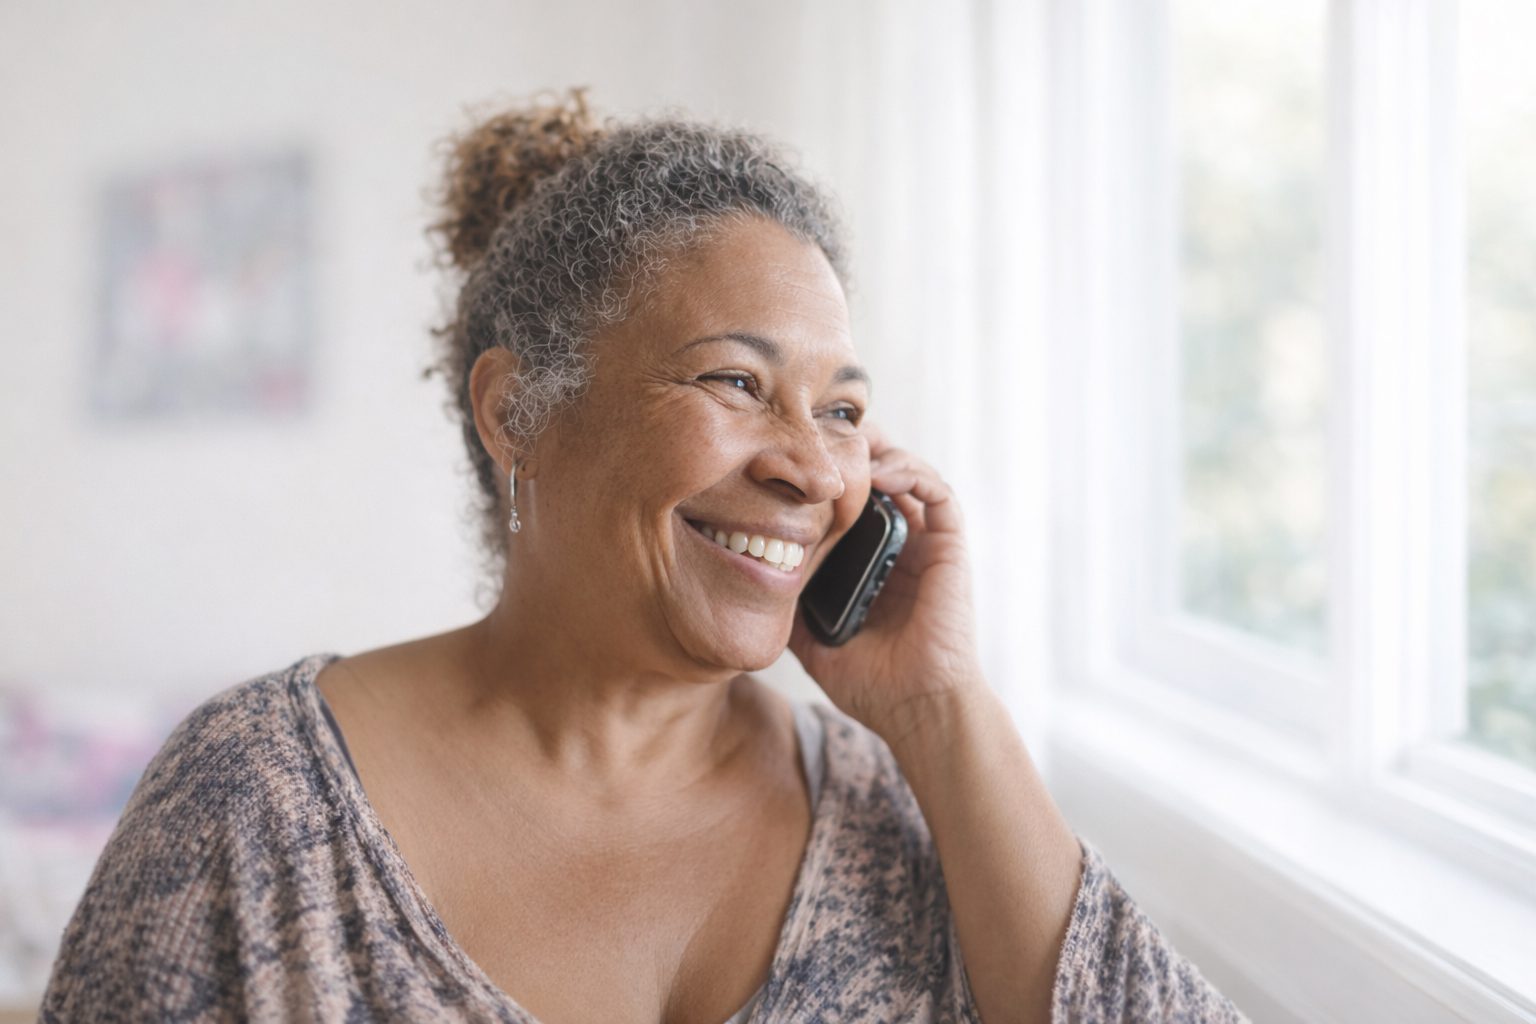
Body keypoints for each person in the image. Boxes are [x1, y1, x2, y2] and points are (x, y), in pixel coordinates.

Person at [39, 89, 1247, 1024]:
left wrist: (942, 710)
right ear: (516, 412)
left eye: (841, 409)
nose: (813, 468)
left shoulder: (898, 810)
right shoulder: (249, 802)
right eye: (737, 382)